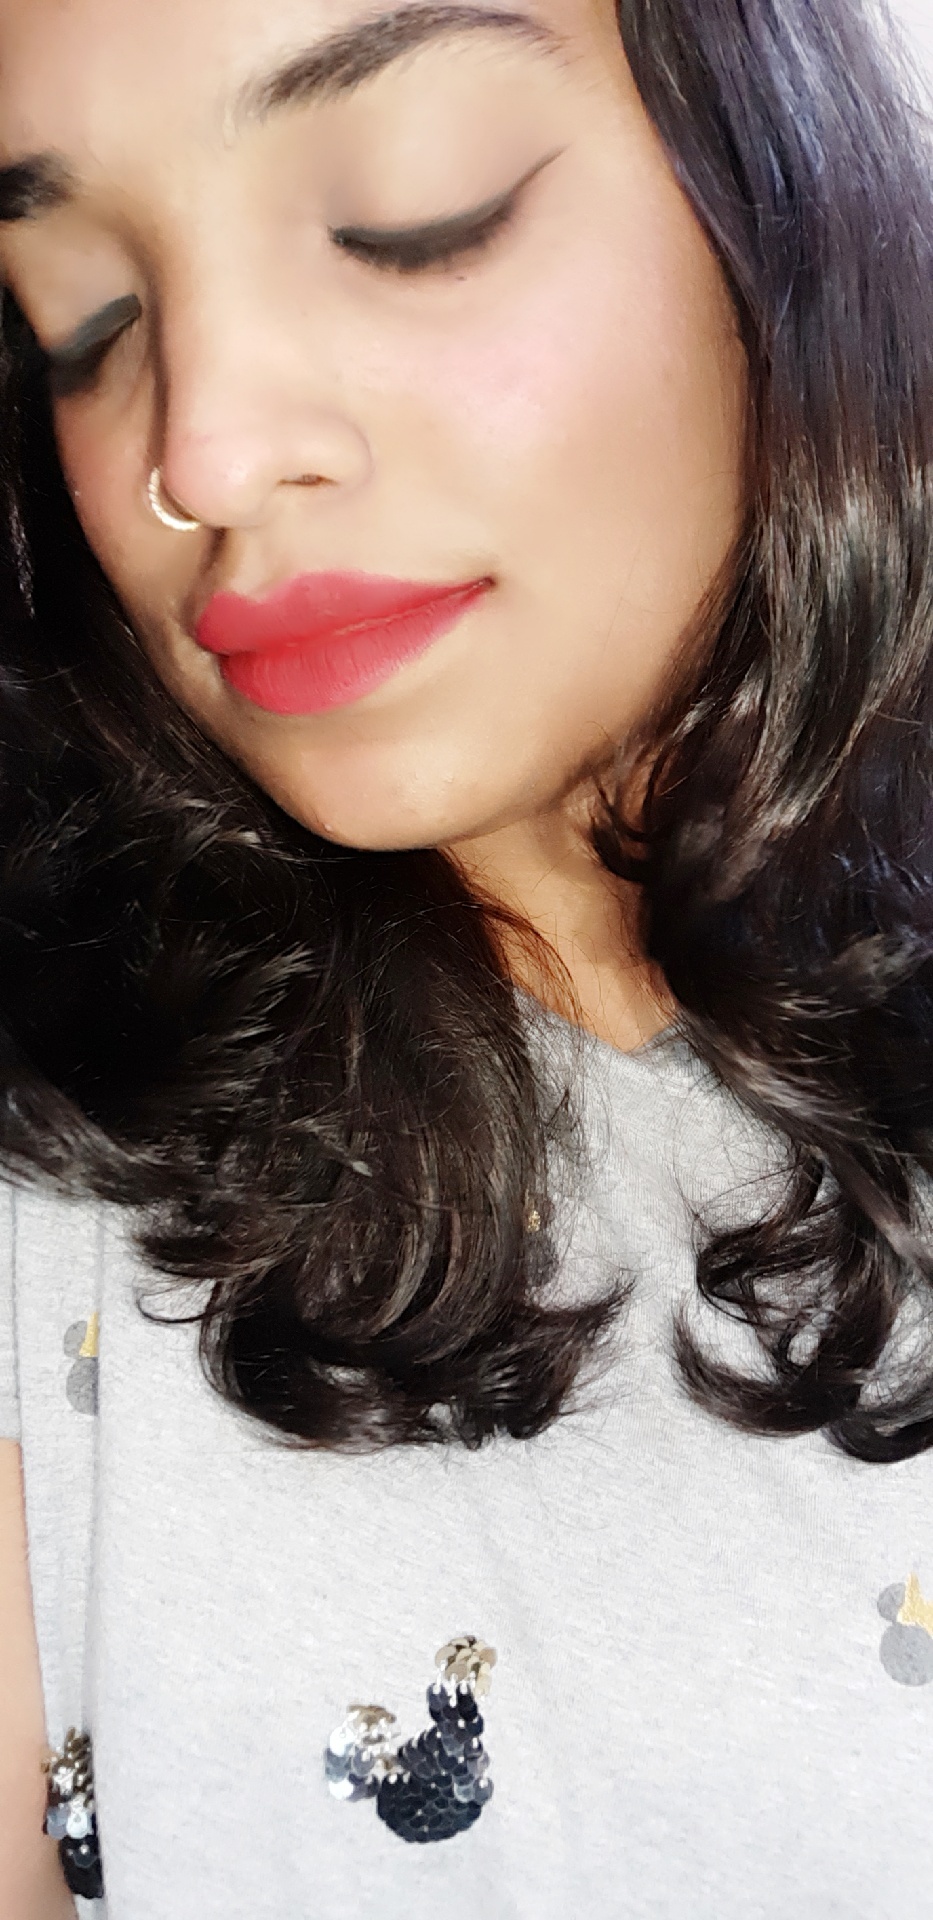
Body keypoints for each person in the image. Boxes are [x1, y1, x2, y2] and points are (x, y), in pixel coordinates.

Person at [0, 0, 931, 1911]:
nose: (207, 453)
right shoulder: (52, 1180)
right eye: (84, 322)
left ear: (775, 194)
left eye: (412, 217)